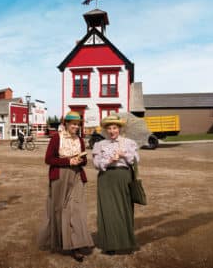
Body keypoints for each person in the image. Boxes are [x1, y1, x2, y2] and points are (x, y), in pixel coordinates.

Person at [38, 111, 94, 262]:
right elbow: (48, 159)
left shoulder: (80, 140)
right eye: (73, 124)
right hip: (60, 177)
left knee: (76, 210)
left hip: (76, 177)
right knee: (59, 210)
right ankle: (60, 241)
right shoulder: (57, 137)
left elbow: (85, 161)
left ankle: (76, 246)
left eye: (78, 124)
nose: (76, 126)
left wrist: (79, 161)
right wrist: (68, 162)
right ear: (67, 124)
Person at [92, 115, 140, 254]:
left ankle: (126, 242)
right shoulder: (100, 145)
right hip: (106, 179)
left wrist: (124, 154)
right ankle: (110, 244)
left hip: (124, 177)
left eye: (115, 128)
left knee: (124, 209)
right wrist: (108, 161)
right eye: (109, 128)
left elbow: (135, 161)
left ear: (119, 129)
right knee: (108, 211)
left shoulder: (128, 143)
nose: (112, 131)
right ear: (106, 130)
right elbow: (96, 164)